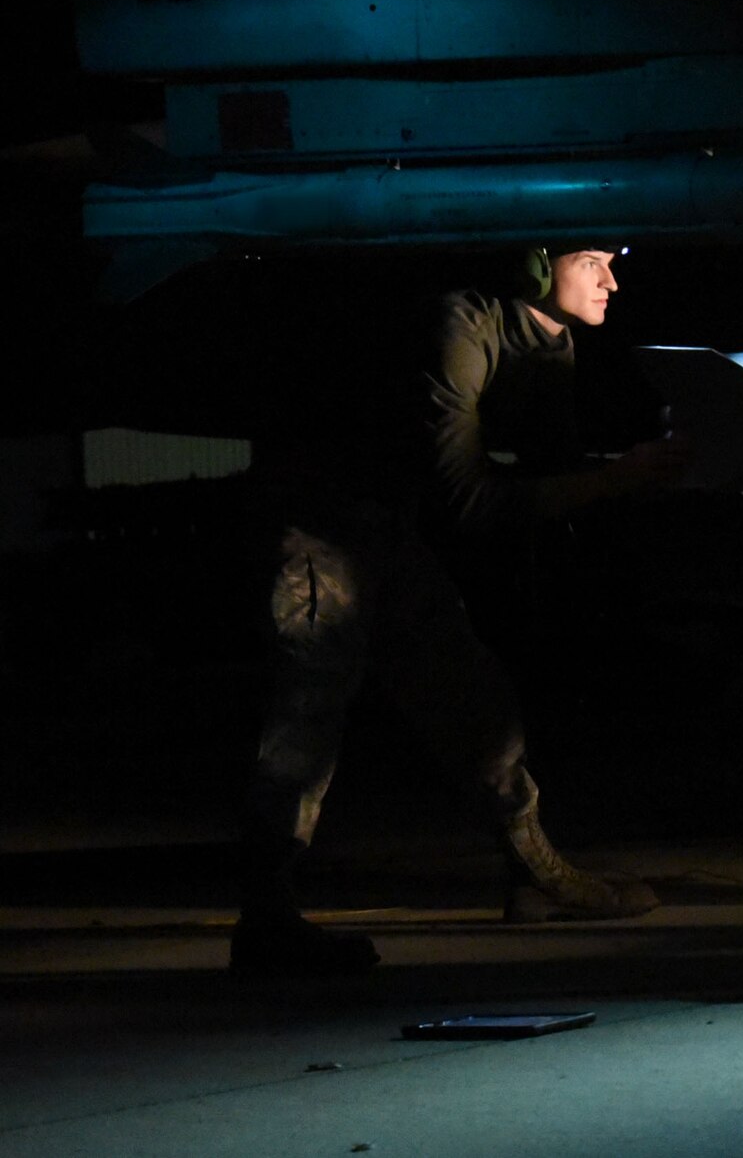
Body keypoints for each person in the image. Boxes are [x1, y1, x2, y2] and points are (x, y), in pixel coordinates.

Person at [231, 244, 686, 976]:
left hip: (384, 525)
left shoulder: (547, 339)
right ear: (540, 265)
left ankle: (533, 868)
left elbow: (543, 471)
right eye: (594, 259)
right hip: (322, 521)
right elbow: (469, 499)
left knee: (475, 698)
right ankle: (266, 918)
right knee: (307, 715)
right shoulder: (461, 329)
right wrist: (614, 481)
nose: (612, 279)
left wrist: (627, 473)